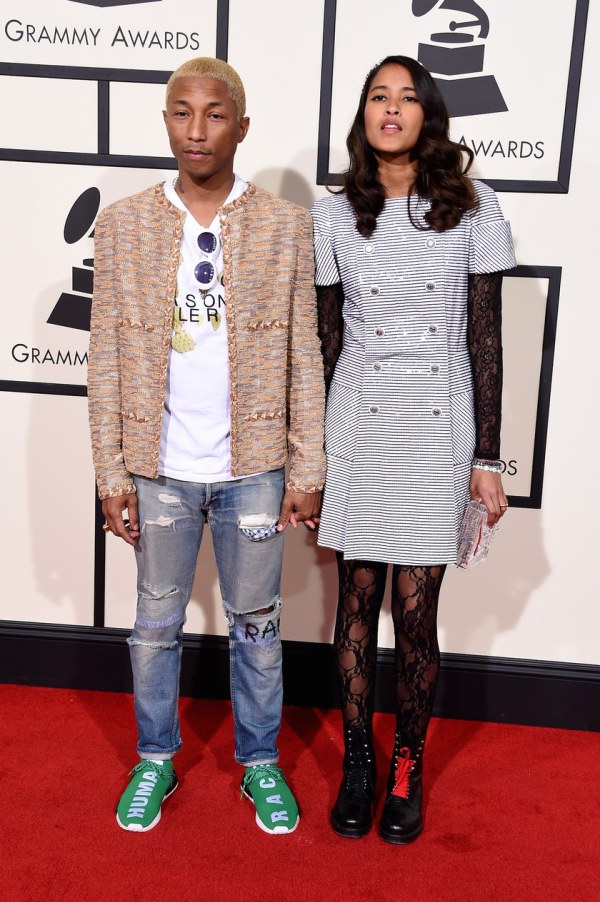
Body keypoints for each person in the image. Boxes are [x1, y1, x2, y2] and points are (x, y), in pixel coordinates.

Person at [88, 56, 325, 834]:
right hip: (156, 470)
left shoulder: (286, 224)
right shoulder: (123, 223)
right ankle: (155, 756)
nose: (197, 129)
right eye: (182, 112)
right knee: (154, 626)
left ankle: (260, 763)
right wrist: (109, 472)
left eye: (215, 114)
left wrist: (306, 465)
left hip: (254, 467)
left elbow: (303, 353)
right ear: (166, 122)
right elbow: (105, 357)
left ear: (241, 126)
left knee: (256, 622)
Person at [311, 55, 516, 844]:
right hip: (358, 414)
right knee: (355, 601)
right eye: (376, 97)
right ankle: (358, 763)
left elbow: (486, 340)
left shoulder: (475, 207)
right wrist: (313, 455)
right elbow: (326, 344)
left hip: (438, 416)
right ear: (363, 115)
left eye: (406, 98)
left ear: (428, 114)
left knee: (416, 613)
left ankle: (407, 765)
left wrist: (488, 457)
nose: (390, 109)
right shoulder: (332, 216)